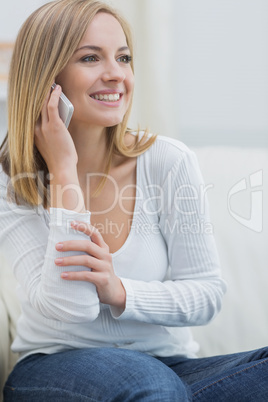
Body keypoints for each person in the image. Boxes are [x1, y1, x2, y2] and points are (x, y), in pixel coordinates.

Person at [0, 0, 267, 400]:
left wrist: (119, 290)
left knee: (165, 385)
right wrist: (65, 172)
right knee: (147, 385)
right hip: (56, 365)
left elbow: (207, 293)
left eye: (123, 58)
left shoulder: (168, 161)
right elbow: (71, 308)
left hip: (170, 367)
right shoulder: (12, 181)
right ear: (47, 78)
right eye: (91, 58)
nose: (116, 74)